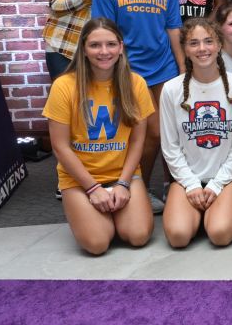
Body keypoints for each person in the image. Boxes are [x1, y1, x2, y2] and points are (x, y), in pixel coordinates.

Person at [90, 0, 183, 213]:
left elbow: (173, 27)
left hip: (164, 66)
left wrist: (183, 68)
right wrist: (115, 68)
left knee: (168, 131)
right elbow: (103, 28)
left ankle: (171, 185)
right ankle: (135, 185)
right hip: (129, 69)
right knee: (144, 133)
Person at [42, 18, 154, 254]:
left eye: (111, 44)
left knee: (138, 235)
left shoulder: (136, 84)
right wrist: (92, 189)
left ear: (121, 47)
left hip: (123, 175)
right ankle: (90, 211)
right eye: (95, 45)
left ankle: (115, 211)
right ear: (83, 48)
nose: (104, 52)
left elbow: (137, 140)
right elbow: (60, 147)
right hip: (81, 179)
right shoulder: (64, 86)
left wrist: (124, 183)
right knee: (97, 243)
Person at [159, 17, 232, 249]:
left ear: (219, 44)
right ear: (185, 50)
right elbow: (169, 147)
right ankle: (199, 212)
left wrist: (217, 185)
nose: (202, 49)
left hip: (229, 177)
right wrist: (190, 184)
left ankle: (225, 209)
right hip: (187, 177)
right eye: (194, 43)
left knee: (219, 234)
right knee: (178, 237)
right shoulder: (171, 90)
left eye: (208, 41)